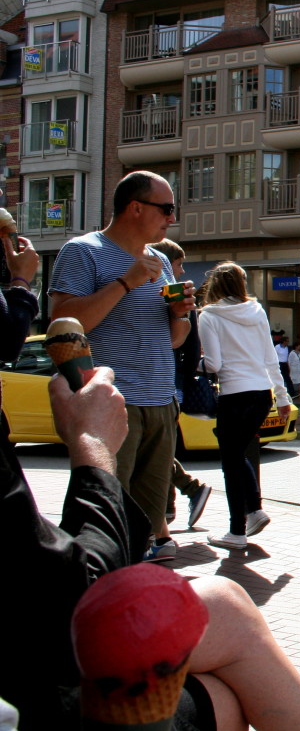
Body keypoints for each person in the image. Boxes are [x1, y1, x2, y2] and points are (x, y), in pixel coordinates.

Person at [2, 364, 300, 730]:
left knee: (223, 622)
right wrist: (92, 446)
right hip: (34, 680)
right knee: (223, 671)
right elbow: (75, 597)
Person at [48, 170, 196, 562]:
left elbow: (174, 339)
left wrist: (180, 314)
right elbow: (62, 321)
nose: (171, 218)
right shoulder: (83, 251)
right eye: (166, 209)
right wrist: (125, 282)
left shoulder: (162, 260)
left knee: (150, 526)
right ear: (135, 208)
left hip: (160, 400)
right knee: (109, 519)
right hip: (113, 401)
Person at [199, 263, 292, 550]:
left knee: (232, 461)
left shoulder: (208, 316)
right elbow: (269, 358)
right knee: (240, 456)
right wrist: (284, 396)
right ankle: (252, 513)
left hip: (234, 395)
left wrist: (196, 364)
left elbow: (213, 364)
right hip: (261, 395)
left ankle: (240, 528)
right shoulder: (257, 311)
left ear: (215, 285)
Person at [151, 238, 213, 529]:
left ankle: (178, 499)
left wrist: (185, 378)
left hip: (166, 381)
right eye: (178, 263)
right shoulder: (158, 290)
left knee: (155, 448)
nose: (181, 269)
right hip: (165, 380)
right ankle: (171, 505)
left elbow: (189, 341)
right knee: (157, 447)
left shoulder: (175, 295)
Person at [273, 329, 296, 397]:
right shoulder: (277, 347)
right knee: (279, 378)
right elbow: (274, 355)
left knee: (287, 378)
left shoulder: (287, 348)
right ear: (283, 341)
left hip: (285, 364)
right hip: (279, 363)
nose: (288, 342)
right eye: (287, 341)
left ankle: (292, 393)